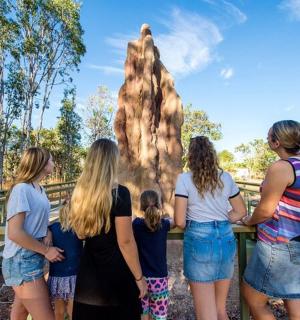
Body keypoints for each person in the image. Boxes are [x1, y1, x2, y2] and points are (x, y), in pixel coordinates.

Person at [69, 138, 147, 320]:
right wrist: (139, 278)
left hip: (87, 281)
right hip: (117, 281)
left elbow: (81, 234)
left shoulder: (80, 194)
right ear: (111, 161)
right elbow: (125, 241)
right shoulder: (120, 193)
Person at [174, 136, 247, 320]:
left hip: (199, 241)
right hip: (225, 239)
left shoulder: (184, 179)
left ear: (191, 157)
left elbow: (180, 221)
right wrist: (221, 219)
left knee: (207, 314)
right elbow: (241, 211)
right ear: (212, 154)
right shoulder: (226, 178)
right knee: (220, 309)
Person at [241, 120, 300, 320]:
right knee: (294, 302)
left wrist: (249, 220)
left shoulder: (282, 167)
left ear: (277, 142)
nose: (266, 140)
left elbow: (266, 211)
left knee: (253, 298)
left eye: (268, 136)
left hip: (279, 245)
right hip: (297, 241)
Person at [1, 147, 64, 320]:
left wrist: (47, 230)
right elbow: (15, 233)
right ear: (41, 163)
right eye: (50, 159)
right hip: (21, 260)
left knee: (20, 315)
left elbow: (35, 221)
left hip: (32, 257)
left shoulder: (40, 190)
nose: (53, 163)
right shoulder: (21, 189)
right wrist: (46, 251)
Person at [133, 190, 175, 320]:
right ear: (159, 205)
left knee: (143, 313)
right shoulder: (164, 224)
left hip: (142, 279)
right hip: (160, 279)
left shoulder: (136, 225)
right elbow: (177, 221)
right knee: (159, 316)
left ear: (141, 206)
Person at [47, 199, 83, 320]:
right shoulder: (79, 229)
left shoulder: (53, 228)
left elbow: (45, 228)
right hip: (74, 274)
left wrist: (47, 232)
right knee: (73, 311)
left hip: (58, 276)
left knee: (59, 312)